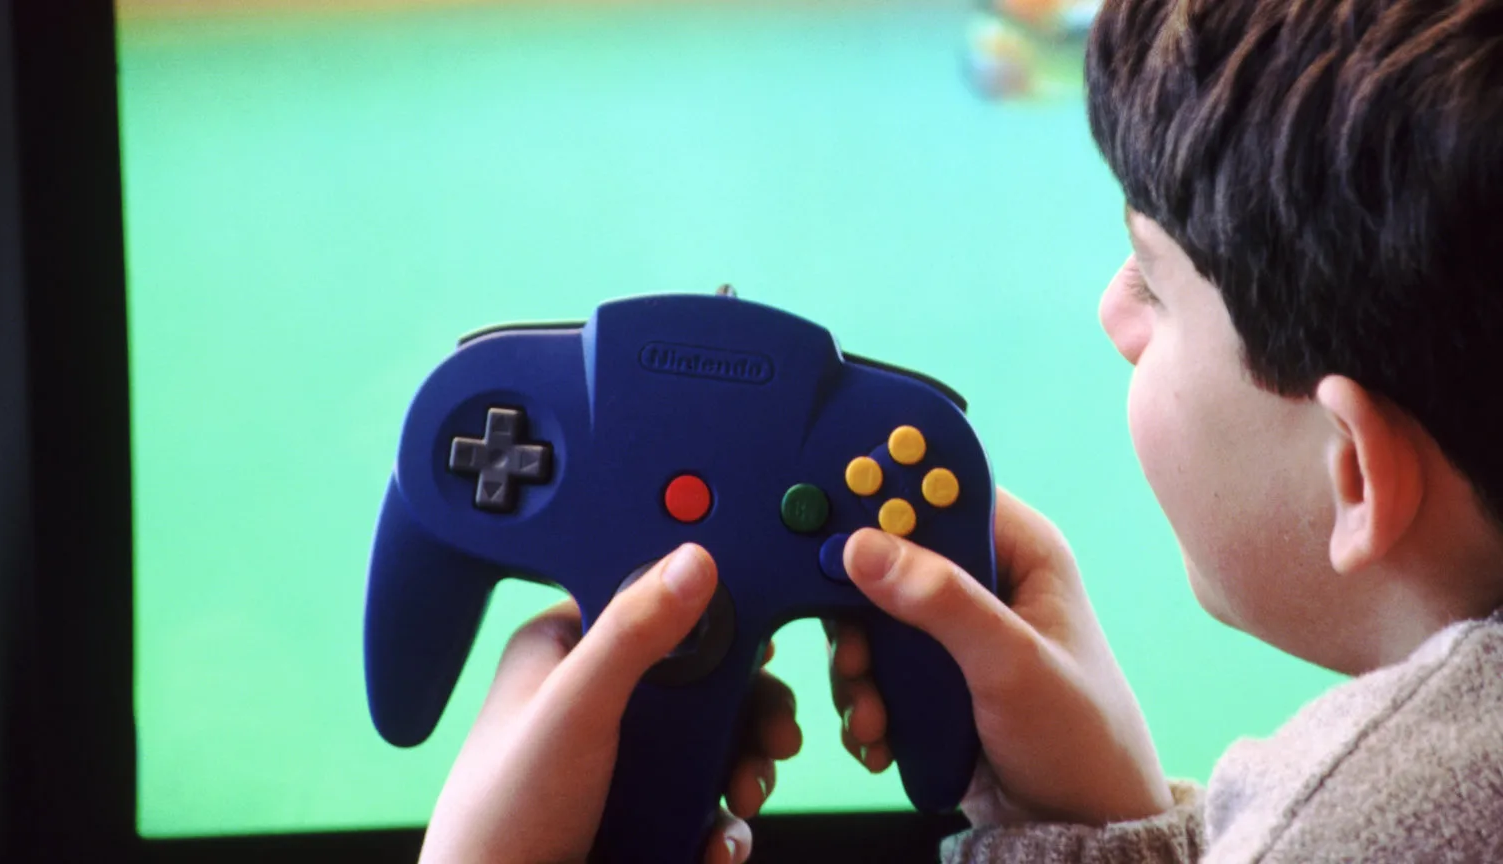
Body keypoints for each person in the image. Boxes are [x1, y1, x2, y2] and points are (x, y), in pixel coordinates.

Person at [413, 0, 1503, 860]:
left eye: (1155, 281)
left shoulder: (1363, 822)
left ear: (1353, 476)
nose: (1113, 314)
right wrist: (1099, 819)